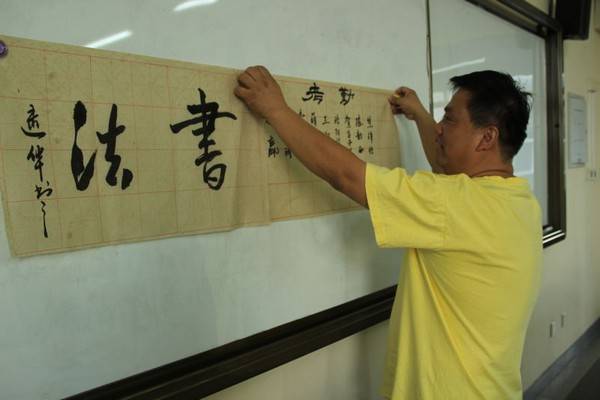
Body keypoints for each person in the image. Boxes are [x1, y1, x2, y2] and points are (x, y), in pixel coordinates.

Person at [234, 66, 542, 400]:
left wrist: (276, 110)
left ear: (487, 138)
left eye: (450, 119)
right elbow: (447, 171)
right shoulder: (519, 201)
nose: (440, 128)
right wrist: (421, 116)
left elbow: (347, 176)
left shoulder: (454, 204)